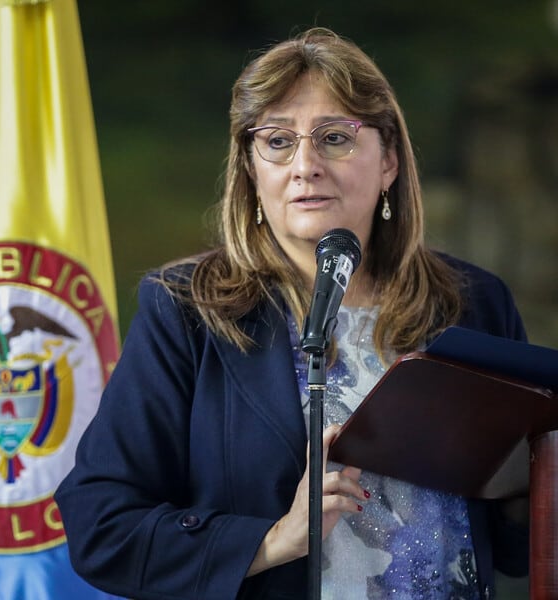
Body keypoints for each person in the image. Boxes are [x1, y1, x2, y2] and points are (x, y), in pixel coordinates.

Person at [55, 27, 529, 599]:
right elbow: (102, 527)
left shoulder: (474, 303)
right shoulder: (187, 312)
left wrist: (542, 479)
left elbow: (516, 544)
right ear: (252, 172)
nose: (305, 164)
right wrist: (277, 539)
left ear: (389, 163)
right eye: (277, 141)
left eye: (335, 137)